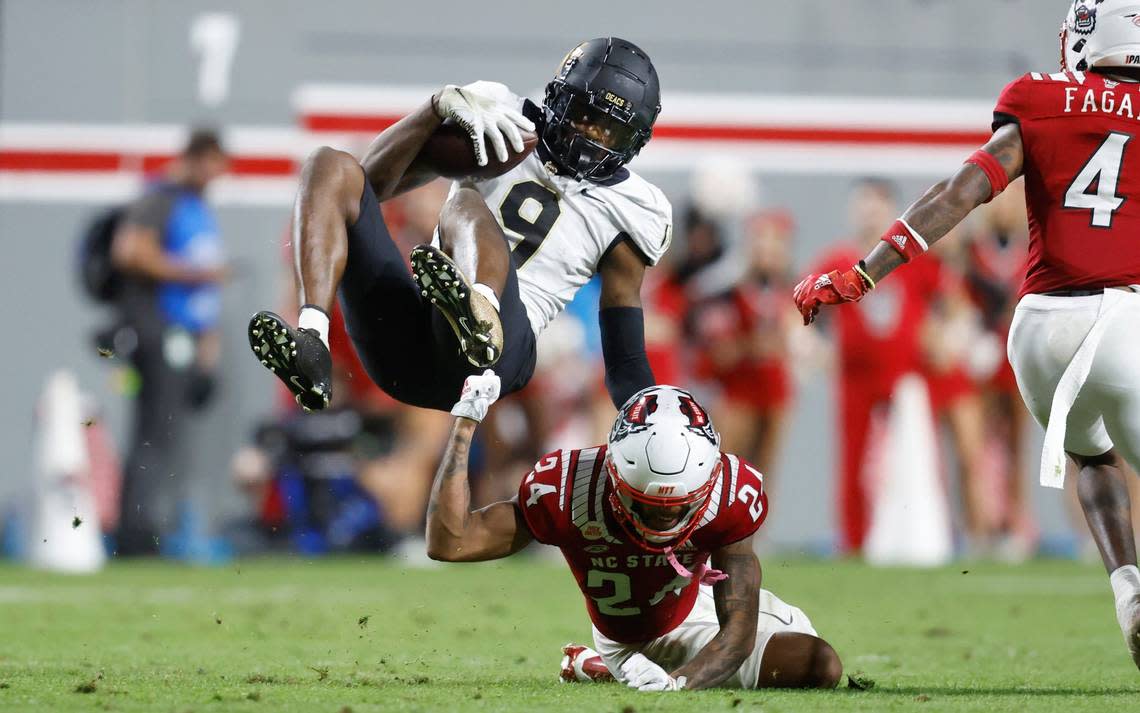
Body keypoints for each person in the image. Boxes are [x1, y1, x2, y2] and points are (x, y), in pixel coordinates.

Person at [793, 0, 1140, 667]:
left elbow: (961, 190)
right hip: (1126, 318)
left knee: (1092, 455)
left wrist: (864, 274)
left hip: (1039, 328)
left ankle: (1128, 587)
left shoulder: (1040, 97)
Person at [248, 37, 671, 415]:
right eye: (582, 115)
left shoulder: (635, 208)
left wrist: (654, 421)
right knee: (329, 165)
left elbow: (626, 357)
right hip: (413, 342)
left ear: (632, 142)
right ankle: (311, 338)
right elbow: (366, 186)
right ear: (558, 98)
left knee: (465, 202)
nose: (588, 136)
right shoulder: (503, 115)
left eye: (608, 131)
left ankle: (480, 311)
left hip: (500, 354)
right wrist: (433, 110)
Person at [425, 377, 842, 691]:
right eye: (645, 504)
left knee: (812, 652)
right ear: (614, 472)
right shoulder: (568, 488)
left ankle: (601, 670)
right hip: (627, 637)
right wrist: (464, 425)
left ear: (709, 480)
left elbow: (736, 636)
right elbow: (449, 541)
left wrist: (676, 685)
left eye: (680, 505)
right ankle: (612, 664)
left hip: (692, 603)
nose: (664, 521)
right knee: (816, 663)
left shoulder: (731, 493)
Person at [109, 128, 229, 556]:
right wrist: (195, 274)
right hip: (156, 331)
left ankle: (152, 526)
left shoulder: (198, 207)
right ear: (195, 159)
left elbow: (206, 301)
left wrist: (207, 353)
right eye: (211, 163)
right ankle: (136, 534)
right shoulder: (161, 199)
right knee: (153, 434)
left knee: (167, 434)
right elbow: (130, 252)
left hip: (183, 339)